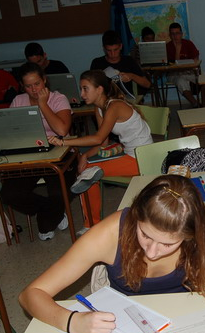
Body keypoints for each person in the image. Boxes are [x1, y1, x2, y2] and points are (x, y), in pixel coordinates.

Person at [18, 175, 205, 333]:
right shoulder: (108, 234)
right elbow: (30, 295)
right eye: (145, 235)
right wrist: (72, 321)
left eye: (168, 244)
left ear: (190, 236)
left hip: (184, 316)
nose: (151, 252)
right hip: (125, 323)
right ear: (136, 216)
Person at [48, 70, 153, 228]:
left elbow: (97, 138)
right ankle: (91, 221)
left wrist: (65, 142)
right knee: (87, 168)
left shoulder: (115, 106)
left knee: (86, 172)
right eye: (81, 89)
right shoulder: (99, 108)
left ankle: (91, 224)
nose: (82, 94)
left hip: (143, 158)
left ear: (99, 89)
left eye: (85, 88)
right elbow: (103, 142)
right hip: (131, 154)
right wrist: (85, 156)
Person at [0, 63, 76, 241]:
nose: (33, 90)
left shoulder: (58, 98)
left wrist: (43, 104)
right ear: (22, 86)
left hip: (60, 153)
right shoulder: (18, 101)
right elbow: (11, 132)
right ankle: (51, 208)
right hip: (30, 155)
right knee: (9, 193)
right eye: (28, 86)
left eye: (37, 84)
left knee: (57, 197)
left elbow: (62, 130)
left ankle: (52, 213)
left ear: (44, 80)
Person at [90, 30, 151, 97]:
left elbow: (147, 84)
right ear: (104, 49)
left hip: (127, 100)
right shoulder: (97, 63)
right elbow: (91, 88)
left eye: (115, 50)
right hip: (107, 101)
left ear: (121, 46)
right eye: (109, 50)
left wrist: (131, 76)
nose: (112, 54)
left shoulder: (128, 61)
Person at [166, 22, 200, 107]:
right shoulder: (167, 47)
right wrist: (177, 50)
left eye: (177, 33)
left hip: (189, 71)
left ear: (181, 34)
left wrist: (189, 67)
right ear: (170, 35)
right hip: (174, 74)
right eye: (172, 34)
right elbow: (173, 66)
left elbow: (196, 59)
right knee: (181, 81)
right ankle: (196, 103)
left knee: (203, 79)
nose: (175, 36)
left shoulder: (188, 43)